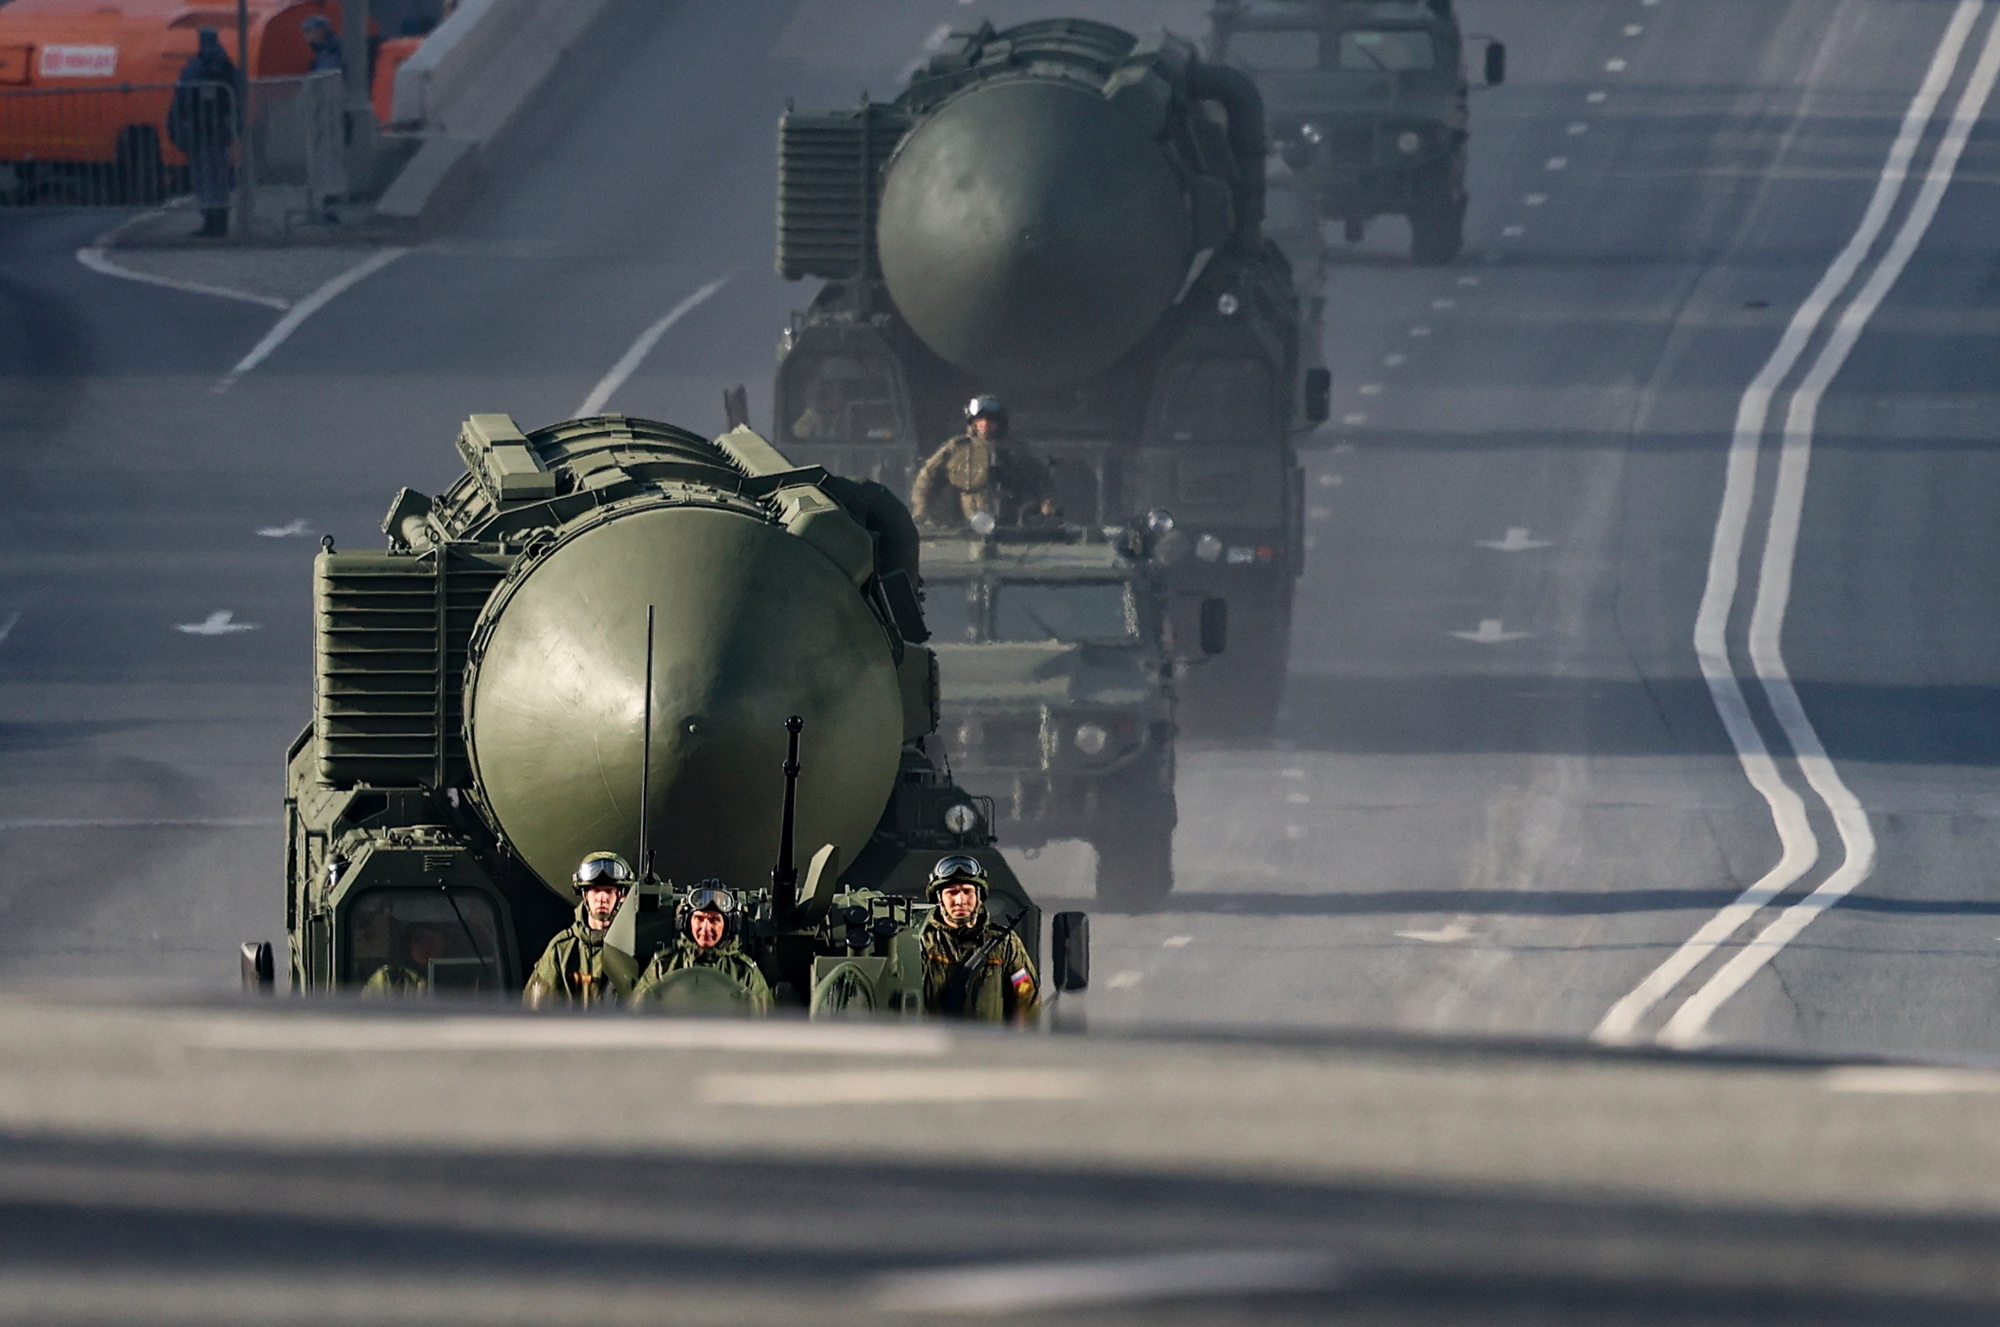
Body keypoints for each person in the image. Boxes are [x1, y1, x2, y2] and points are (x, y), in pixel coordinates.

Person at [918, 855, 1038, 1023]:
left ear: (979, 897)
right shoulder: (921, 942)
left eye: (967, 892)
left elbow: (1026, 997)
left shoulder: (1005, 944)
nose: (960, 900)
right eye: (952, 892)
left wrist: (1018, 1043)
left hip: (987, 1045)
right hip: (933, 1044)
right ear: (940, 900)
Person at [910, 396, 1059, 532]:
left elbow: (1042, 481)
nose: (985, 424)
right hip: (964, 525)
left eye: (990, 420)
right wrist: (921, 510)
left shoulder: (1016, 451)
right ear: (972, 422)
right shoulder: (957, 448)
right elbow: (927, 477)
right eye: (980, 420)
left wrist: (1047, 507)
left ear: (999, 422)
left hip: (1010, 525)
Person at [523, 851, 641, 1007]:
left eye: (609, 891)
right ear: (585, 895)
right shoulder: (563, 950)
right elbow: (536, 1012)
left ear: (621, 896)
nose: (602, 898)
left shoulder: (637, 946)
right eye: (595, 890)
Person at [631, 882, 772, 1011]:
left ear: (729, 925)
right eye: (699, 919)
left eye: (714, 920)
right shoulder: (663, 966)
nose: (705, 928)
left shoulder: (745, 972)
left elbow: (766, 1023)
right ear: (686, 922)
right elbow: (635, 1016)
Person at [166, 30, 237, 238]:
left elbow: (182, 95)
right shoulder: (226, 65)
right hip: (220, 131)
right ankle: (221, 219)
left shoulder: (196, 66)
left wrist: (178, 126)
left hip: (199, 130)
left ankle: (210, 220)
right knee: (220, 176)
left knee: (203, 177)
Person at [359, 922, 451, 997]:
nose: (427, 946)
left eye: (433, 939)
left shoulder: (460, 976)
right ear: (408, 945)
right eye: (420, 939)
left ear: (444, 943)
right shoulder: (388, 979)